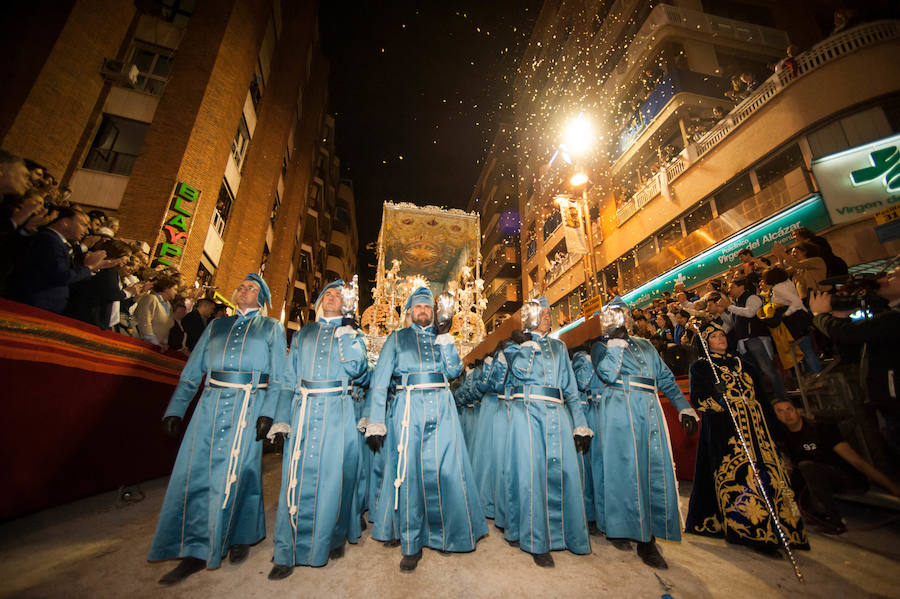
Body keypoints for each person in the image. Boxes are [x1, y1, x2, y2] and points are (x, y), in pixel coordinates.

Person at [148, 273, 291, 585]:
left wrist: (269, 413)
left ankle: (241, 535)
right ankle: (195, 550)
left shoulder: (271, 328)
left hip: (248, 405)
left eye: (251, 288)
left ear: (262, 298)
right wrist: (176, 409)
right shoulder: (216, 326)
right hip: (209, 405)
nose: (243, 290)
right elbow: (191, 371)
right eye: (240, 286)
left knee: (241, 472)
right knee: (196, 472)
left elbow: (280, 376)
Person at [364, 286, 487, 571]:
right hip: (408, 409)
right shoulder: (397, 338)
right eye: (418, 307)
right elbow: (380, 381)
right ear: (409, 312)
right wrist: (376, 420)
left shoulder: (443, 337)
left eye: (428, 308)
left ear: (434, 313)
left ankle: (445, 533)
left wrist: (445, 337)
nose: (423, 311)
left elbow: (455, 371)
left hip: (442, 408)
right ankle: (411, 543)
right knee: (408, 474)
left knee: (445, 471)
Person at [268, 280, 369, 579]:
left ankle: (333, 537)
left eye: (339, 295)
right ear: (319, 301)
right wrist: (281, 417)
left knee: (334, 477)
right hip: (303, 409)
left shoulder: (355, 334)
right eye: (328, 294)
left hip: (339, 409)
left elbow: (359, 372)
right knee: (294, 477)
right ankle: (286, 550)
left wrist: (349, 332)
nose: (333, 298)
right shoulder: (305, 333)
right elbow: (288, 378)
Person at [590, 297, 698, 569]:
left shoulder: (647, 345)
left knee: (654, 470)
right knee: (625, 472)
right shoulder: (600, 346)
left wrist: (684, 408)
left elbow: (666, 380)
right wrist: (615, 342)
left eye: (623, 315)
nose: (620, 320)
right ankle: (634, 534)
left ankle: (649, 533)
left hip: (649, 410)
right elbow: (607, 374)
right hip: (619, 410)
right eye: (614, 316)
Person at [686, 323, 808, 554]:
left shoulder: (746, 365)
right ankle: (752, 532)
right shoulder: (701, 367)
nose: (720, 339)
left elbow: (762, 397)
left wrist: (774, 430)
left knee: (771, 475)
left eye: (722, 335)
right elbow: (698, 398)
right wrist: (718, 399)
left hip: (757, 429)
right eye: (714, 336)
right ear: (706, 342)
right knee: (741, 477)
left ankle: (784, 529)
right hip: (726, 429)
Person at [501, 297, 593, 567]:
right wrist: (528, 344)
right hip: (526, 412)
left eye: (549, 313)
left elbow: (571, 389)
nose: (547, 317)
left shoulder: (559, 346)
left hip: (557, 413)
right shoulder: (512, 346)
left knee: (563, 472)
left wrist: (579, 422)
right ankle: (535, 540)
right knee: (531, 474)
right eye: (541, 313)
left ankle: (567, 535)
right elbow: (520, 373)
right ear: (528, 317)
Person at [773, 398, 900, 533]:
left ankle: (835, 521)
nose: (787, 415)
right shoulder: (786, 439)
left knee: (806, 466)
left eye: (789, 409)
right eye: (780, 412)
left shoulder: (821, 429)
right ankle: (811, 514)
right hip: (818, 482)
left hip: (845, 477)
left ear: (798, 411)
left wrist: (893, 488)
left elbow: (857, 462)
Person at [8, 206, 110, 313]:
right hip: (35, 305)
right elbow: (60, 276)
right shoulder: (49, 240)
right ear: (65, 222)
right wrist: (88, 267)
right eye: (83, 225)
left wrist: (92, 268)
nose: (87, 230)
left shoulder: (58, 242)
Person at [724, 277, 788, 398]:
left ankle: (782, 397)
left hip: (755, 338)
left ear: (741, 287)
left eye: (732, 287)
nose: (729, 289)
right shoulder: (738, 301)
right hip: (745, 340)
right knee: (755, 373)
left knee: (768, 369)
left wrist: (730, 307)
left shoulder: (752, 298)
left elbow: (750, 312)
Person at [134, 275, 178, 348]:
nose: (176, 292)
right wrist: (155, 343)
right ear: (166, 288)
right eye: (175, 289)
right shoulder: (151, 299)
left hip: (159, 347)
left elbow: (166, 328)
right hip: (145, 345)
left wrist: (164, 343)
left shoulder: (169, 306)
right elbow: (144, 322)